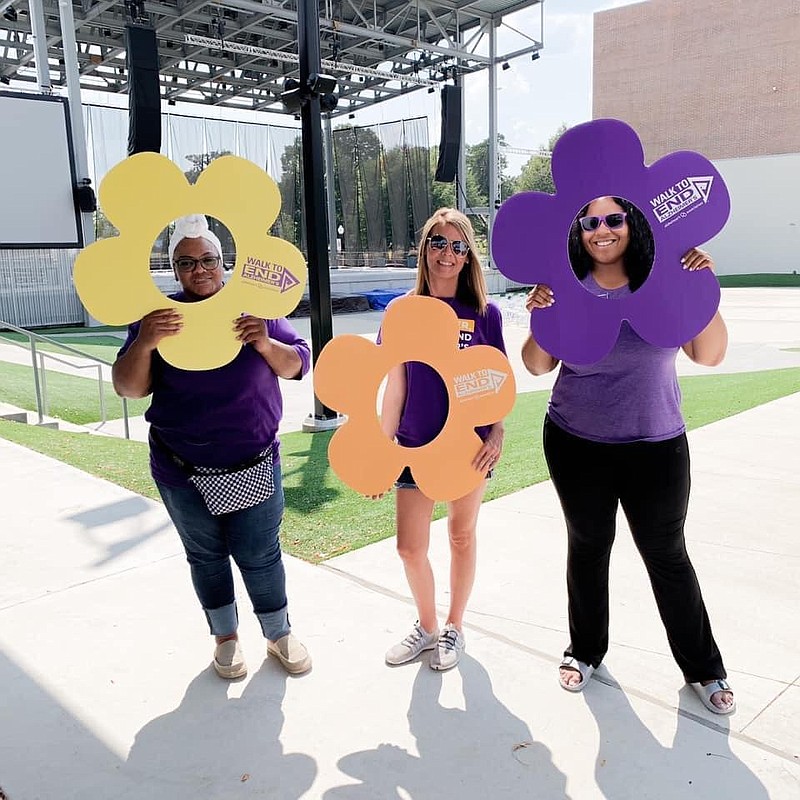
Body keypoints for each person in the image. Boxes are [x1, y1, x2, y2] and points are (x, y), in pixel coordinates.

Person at [522, 195, 735, 714]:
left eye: (613, 219)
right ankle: (586, 651)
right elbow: (535, 365)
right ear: (580, 231)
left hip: (657, 444)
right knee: (588, 546)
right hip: (577, 442)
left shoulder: (662, 281)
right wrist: (540, 313)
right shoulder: (566, 288)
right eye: (590, 221)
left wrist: (701, 290)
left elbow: (708, 354)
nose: (602, 230)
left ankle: (704, 669)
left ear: (631, 223)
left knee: (667, 555)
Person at [112, 214, 311, 679]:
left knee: (261, 555)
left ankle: (278, 633)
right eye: (186, 262)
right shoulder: (155, 315)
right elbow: (128, 387)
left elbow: (298, 365)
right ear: (173, 268)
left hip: (254, 461)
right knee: (205, 557)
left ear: (224, 262)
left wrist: (263, 341)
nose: (199, 269)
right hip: (181, 468)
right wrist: (144, 343)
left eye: (208, 259)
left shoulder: (254, 306)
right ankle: (225, 639)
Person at [379, 208, 507, 671]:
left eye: (457, 246)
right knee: (409, 547)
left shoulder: (484, 314)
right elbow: (396, 385)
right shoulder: (401, 311)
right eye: (438, 242)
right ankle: (427, 627)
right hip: (414, 444)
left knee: (460, 535)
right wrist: (382, 450)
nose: (447, 254)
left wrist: (496, 432)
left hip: (466, 447)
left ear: (468, 254)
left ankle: (454, 627)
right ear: (424, 249)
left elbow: (497, 383)